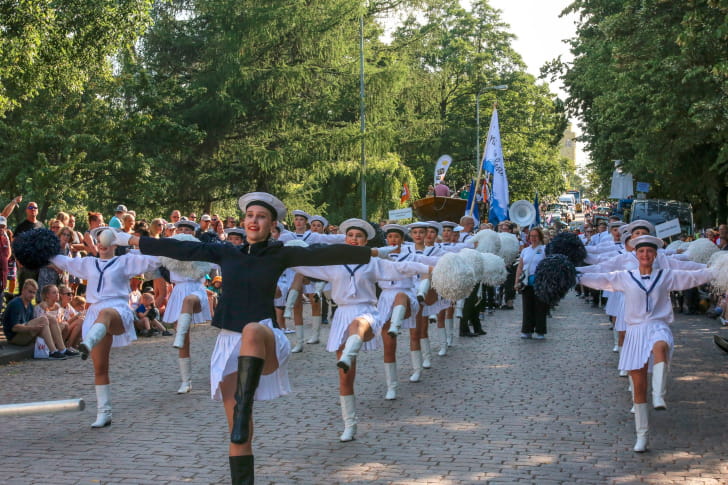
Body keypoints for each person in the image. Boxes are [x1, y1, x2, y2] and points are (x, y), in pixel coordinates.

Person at [127, 193, 388, 484]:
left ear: (272, 224)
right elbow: (181, 249)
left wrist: (372, 253)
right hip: (228, 341)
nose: (254, 220)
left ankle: (243, 408)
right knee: (238, 434)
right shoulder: (226, 251)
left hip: (266, 335)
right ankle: (242, 440)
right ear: (244, 221)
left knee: (251, 330)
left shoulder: (281, 252)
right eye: (250, 216)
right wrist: (133, 240)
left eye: (261, 217)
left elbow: (321, 254)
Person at [291, 218, 428, 441]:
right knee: (345, 378)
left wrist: (433, 267)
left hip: (366, 310)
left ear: (366, 242)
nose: (354, 239)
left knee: (359, 325)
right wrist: (280, 254)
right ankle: (350, 424)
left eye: (359, 236)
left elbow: (402, 268)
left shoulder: (373, 263)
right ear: (346, 238)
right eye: (351, 236)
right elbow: (303, 264)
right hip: (341, 313)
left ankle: (352, 352)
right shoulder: (333, 264)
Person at [579, 235, 714, 452]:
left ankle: (659, 394)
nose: (645, 255)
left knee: (661, 346)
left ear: (656, 254)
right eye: (641, 252)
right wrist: (574, 275)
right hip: (634, 331)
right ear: (635, 254)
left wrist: (718, 268)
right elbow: (600, 278)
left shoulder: (667, 275)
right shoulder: (625, 276)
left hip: (658, 324)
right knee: (638, 388)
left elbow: (694, 276)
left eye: (650, 252)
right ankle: (642, 435)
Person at [49, 226, 161, 428]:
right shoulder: (88, 263)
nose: (101, 244)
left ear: (114, 243)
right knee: (100, 368)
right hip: (95, 314)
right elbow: (64, 261)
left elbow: (155, 258)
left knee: (106, 314)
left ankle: (88, 341)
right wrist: (41, 250)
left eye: (106, 240)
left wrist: (131, 240)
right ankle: (104, 412)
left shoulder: (125, 261)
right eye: (98, 240)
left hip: (118, 309)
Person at [1, 280, 70, 359]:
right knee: (43, 319)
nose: (32, 295)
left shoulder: (29, 304)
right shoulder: (16, 304)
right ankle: (53, 351)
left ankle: (62, 349)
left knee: (52, 320)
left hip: (26, 333)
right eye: (30, 292)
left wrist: (37, 328)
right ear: (23, 290)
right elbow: (15, 328)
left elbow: (31, 322)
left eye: (34, 293)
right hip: (15, 337)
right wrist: (33, 328)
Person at [515, 227, 548, 339]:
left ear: (540, 237)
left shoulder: (545, 249)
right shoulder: (525, 250)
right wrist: (516, 281)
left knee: (540, 307)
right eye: (531, 236)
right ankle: (527, 330)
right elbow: (520, 267)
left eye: (535, 236)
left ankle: (540, 331)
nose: (533, 238)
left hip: (540, 282)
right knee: (527, 307)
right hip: (526, 282)